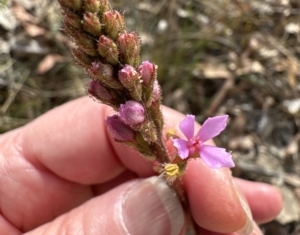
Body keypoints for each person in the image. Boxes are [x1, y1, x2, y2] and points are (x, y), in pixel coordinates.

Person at [0, 97, 282, 235]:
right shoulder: (181, 144)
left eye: (197, 143)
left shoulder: (188, 147)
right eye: (193, 142)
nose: (196, 144)